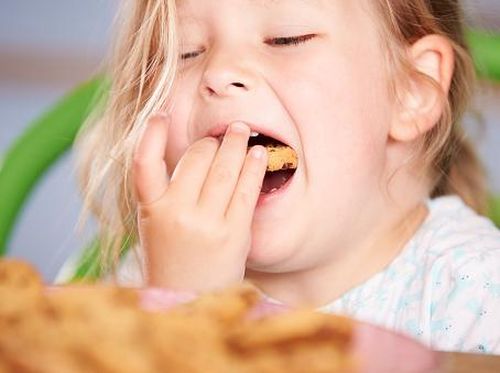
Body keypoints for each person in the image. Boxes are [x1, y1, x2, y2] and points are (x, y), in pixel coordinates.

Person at [74, 0, 500, 353]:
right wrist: (179, 309)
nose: (219, 73)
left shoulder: (477, 296)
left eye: (286, 39)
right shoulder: (146, 279)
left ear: (409, 89)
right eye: (185, 52)